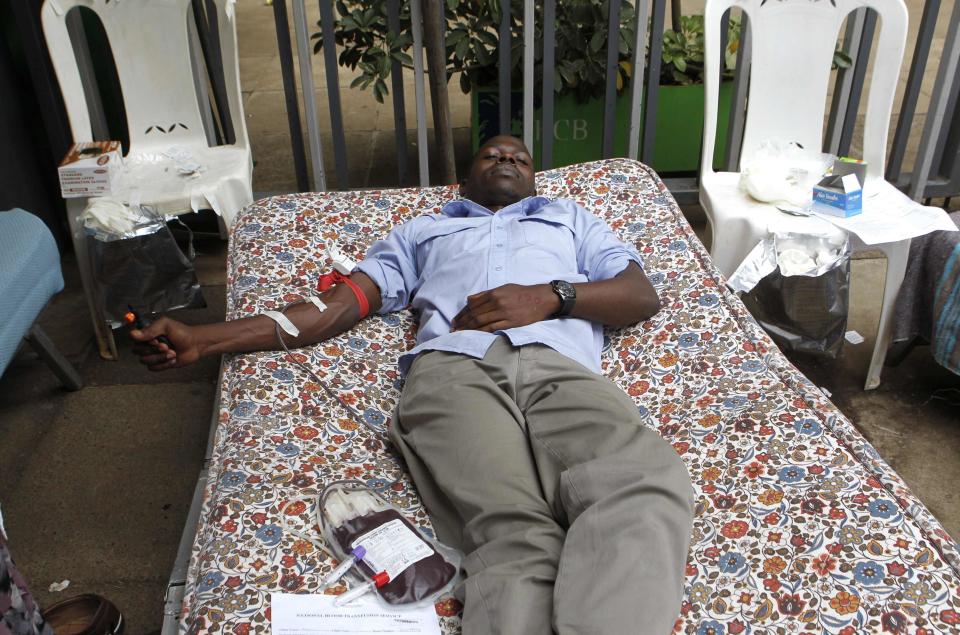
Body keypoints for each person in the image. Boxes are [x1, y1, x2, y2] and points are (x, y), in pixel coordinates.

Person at [133, 136, 694, 634]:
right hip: (453, 372)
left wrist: (551, 295)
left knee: (644, 483)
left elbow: (638, 295)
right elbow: (337, 307)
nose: (505, 159)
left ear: (534, 180)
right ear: (464, 180)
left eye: (519, 158)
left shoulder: (571, 219)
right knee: (517, 534)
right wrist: (205, 338)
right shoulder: (422, 231)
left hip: (558, 365)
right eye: (491, 154)